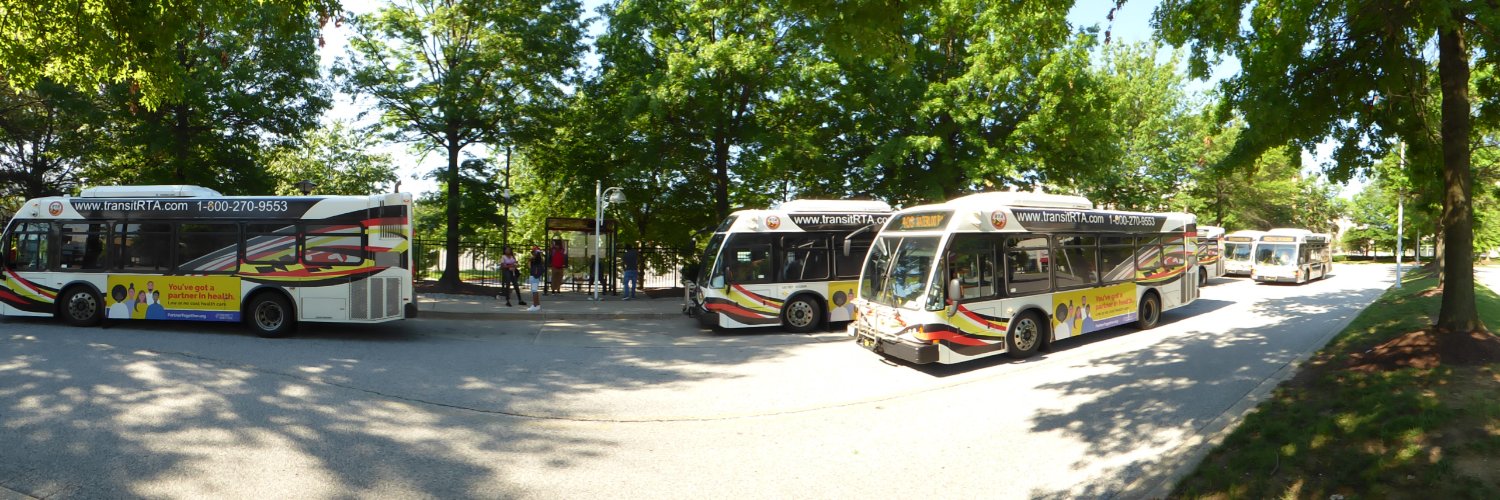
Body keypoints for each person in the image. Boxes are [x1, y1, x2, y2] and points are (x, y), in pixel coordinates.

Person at [526, 246, 545, 311]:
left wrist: (529, 260)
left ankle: (535, 305)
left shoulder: (534, 259)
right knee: (535, 291)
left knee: (534, 291)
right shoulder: (540, 259)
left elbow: (529, 266)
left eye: (533, 252)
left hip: (534, 276)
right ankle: (537, 305)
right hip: (535, 276)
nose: (532, 253)